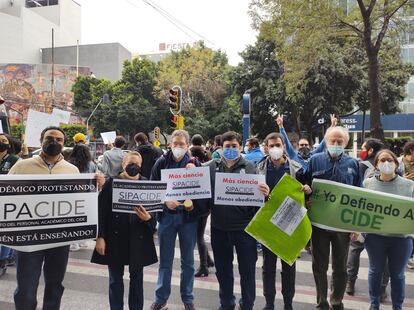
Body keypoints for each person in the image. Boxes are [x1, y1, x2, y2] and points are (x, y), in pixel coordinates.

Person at [8, 126, 80, 310]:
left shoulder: (72, 170)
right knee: (25, 290)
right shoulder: (21, 166)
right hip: (28, 237)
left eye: (59, 139)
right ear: (41, 141)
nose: (54, 142)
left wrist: (98, 186)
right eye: (49, 138)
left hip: (59, 238)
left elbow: (80, 201)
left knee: (55, 286)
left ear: (64, 144)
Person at [205, 131, 270, 310]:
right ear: (221, 148)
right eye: (228, 146)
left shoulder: (250, 167)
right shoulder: (211, 167)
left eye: (234, 146)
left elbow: (258, 201)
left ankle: (247, 304)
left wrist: (265, 194)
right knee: (223, 271)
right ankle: (226, 303)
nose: (231, 149)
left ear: (240, 147)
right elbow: (198, 184)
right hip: (219, 229)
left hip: (245, 230)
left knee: (247, 271)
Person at [91, 151, 158, 310]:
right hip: (115, 239)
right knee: (115, 280)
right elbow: (101, 211)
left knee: (137, 280)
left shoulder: (147, 183)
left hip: (137, 238)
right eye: (130, 163)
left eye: (136, 164)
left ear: (141, 166)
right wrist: (100, 237)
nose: (133, 166)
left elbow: (154, 218)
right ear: (123, 164)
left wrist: (148, 217)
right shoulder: (111, 184)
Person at [150, 129, 208, 310]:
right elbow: (152, 188)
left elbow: (202, 192)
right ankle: (161, 299)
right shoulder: (161, 162)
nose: (178, 147)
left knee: (188, 263)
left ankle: (188, 300)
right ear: (170, 145)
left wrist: (197, 171)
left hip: (188, 219)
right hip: (167, 218)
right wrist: (165, 202)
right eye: (175, 144)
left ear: (187, 145)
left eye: (182, 144)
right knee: (165, 262)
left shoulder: (194, 163)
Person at [306, 126, 360, 310]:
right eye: (332, 141)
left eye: (340, 142)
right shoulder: (314, 161)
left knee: (341, 268)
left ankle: (337, 301)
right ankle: (321, 302)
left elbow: (358, 196)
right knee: (319, 266)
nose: (336, 144)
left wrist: (355, 225)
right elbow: (303, 185)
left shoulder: (353, 164)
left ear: (346, 143)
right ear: (326, 141)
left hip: (342, 225)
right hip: (319, 225)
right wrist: (307, 196)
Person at [257, 132, 311, 310]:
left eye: (277, 145)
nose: (274, 149)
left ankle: (288, 303)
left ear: (283, 146)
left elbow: (308, 196)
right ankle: (269, 303)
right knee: (268, 267)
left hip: (290, 224)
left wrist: (307, 189)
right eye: (271, 146)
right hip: (268, 225)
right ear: (266, 147)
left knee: (289, 266)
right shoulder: (257, 169)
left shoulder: (297, 169)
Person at [360, 149, 414, 310]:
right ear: (376, 165)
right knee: (375, 271)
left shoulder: (410, 186)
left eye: (390, 160)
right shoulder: (367, 184)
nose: (386, 163)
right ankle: (374, 303)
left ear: (396, 164)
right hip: (375, 238)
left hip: (401, 239)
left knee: (398, 274)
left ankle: (398, 306)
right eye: (382, 160)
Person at [346, 138, 388, 298]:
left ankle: (350, 283)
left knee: (355, 248)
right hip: (383, 217)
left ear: (370, 151)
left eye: (363, 148)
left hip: (363, 216)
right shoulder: (394, 167)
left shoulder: (361, 165)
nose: (361, 151)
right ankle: (382, 289)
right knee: (384, 254)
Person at [190, 145, 215, 277]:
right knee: (199, 235)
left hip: (198, 207)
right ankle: (208, 260)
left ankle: (204, 266)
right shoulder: (207, 166)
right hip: (205, 207)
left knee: (198, 237)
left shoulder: (195, 165)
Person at [68, 143, 97, 251]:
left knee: (73, 219)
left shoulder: (69, 163)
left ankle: (73, 243)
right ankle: (82, 240)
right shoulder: (92, 164)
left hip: (72, 194)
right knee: (83, 218)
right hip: (87, 194)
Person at [0, 133, 20, 277]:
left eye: (4, 141)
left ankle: (3, 259)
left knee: (6, 231)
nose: (1, 143)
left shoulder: (15, 160)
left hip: (8, 202)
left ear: (9, 144)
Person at [398, 140, 414, 270]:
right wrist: (403, 178)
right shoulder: (397, 162)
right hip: (402, 202)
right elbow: (390, 178)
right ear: (411, 151)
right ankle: (407, 256)